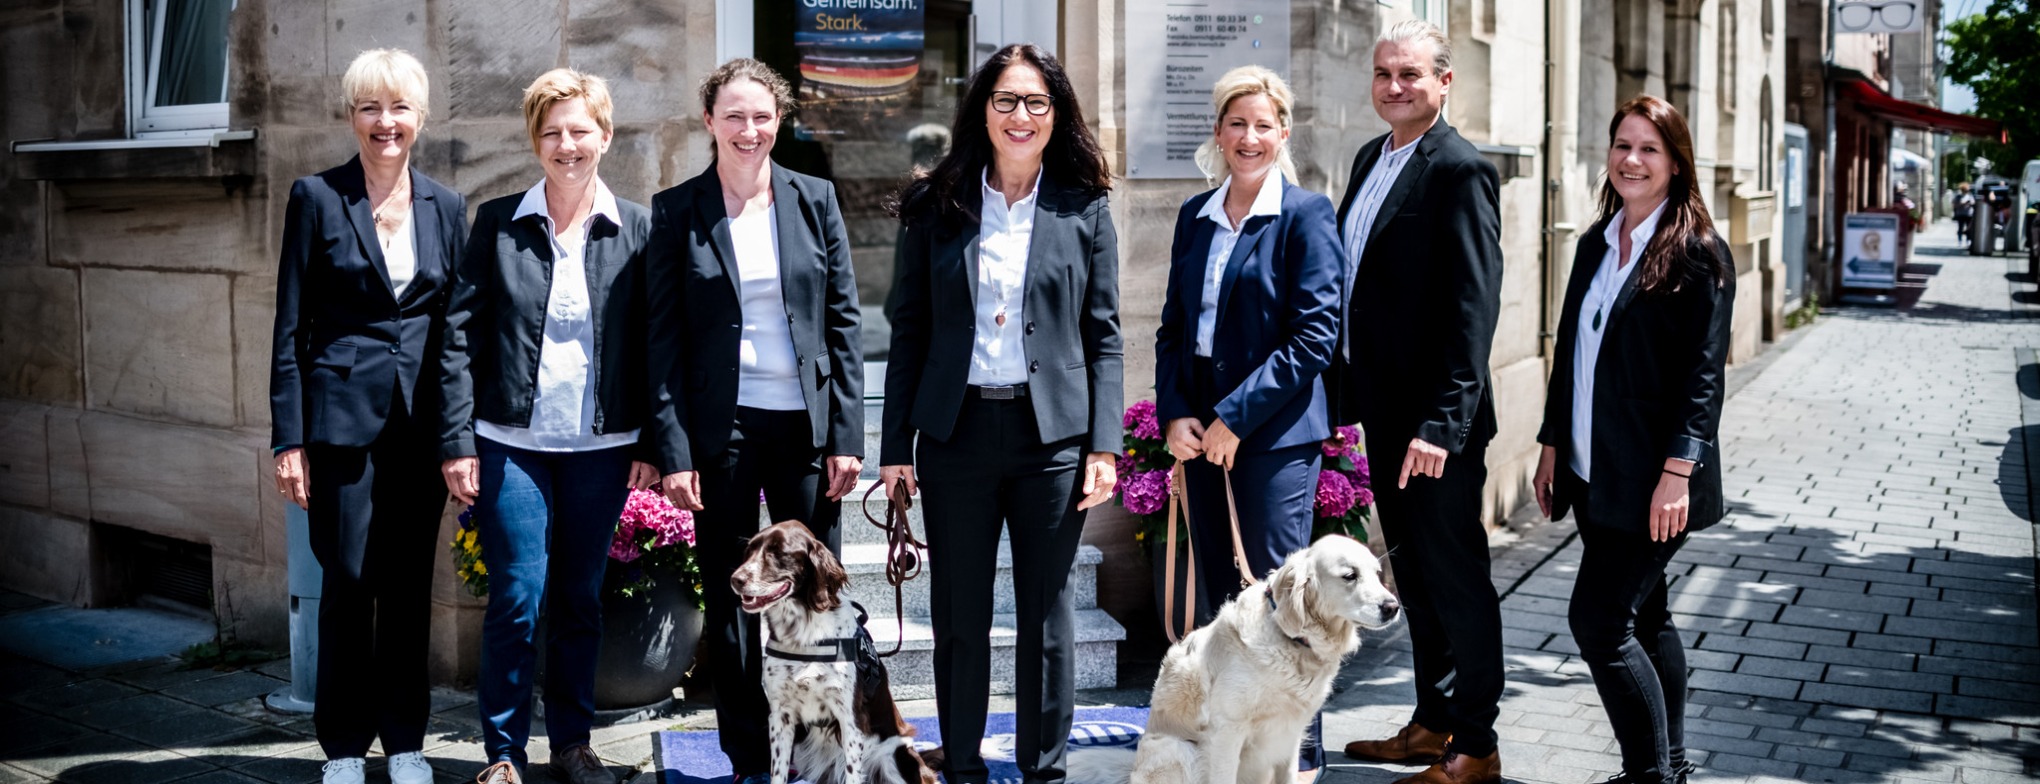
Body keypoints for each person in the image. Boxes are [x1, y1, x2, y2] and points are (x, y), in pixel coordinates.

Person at [880, 43, 1122, 784]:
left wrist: (1104, 446)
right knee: (960, 618)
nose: (1021, 116)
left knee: (1048, 620)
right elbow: (909, 330)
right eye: (1007, 100)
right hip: (955, 436)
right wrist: (895, 449)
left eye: (1037, 102)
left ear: (1057, 115)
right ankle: (962, 768)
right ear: (982, 109)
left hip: (1051, 438)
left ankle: (1043, 770)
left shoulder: (1083, 207)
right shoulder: (935, 204)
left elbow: (1105, 333)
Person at [643, 58, 864, 784]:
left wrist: (846, 437)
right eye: (734, 115)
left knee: (815, 595)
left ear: (780, 121)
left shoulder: (814, 198)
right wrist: (673, 451)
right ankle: (748, 757)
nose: (749, 129)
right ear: (709, 121)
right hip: (721, 432)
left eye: (762, 115)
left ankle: (820, 750)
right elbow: (663, 339)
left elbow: (842, 322)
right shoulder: (678, 209)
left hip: (804, 428)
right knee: (736, 592)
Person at [437, 68, 660, 784]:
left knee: (579, 600)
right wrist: (458, 442)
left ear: (605, 135)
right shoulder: (498, 222)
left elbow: (659, 347)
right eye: (552, 131)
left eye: (580, 130)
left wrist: (655, 444)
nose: (567, 144)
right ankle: (503, 754)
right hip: (512, 446)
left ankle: (572, 744)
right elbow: (458, 340)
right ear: (536, 141)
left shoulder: (639, 228)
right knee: (515, 599)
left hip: (603, 449)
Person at [268, 48, 463, 784]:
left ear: (420, 117)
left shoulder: (446, 206)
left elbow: (454, 332)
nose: (387, 123)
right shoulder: (316, 198)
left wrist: (458, 436)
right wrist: (289, 438)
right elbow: (290, 326)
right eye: (370, 108)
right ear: (352, 116)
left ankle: (406, 740)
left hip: (419, 428)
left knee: (410, 584)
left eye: (400, 108)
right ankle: (345, 747)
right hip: (339, 425)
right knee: (348, 580)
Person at [1532, 95, 1733, 784]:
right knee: (1647, 620)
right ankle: (1670, 764)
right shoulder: (1596, 240)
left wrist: (1678, 472)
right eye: (1623, 145)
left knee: (1597, 623)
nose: (1632, 160)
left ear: (1677, 163)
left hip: (1655, 481)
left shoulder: (1698, 252)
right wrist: (1553, 445)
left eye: (1649, 148)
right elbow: (1571, 353)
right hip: (1592, 472)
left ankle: (1650, 776)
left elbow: (1703, 379)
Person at [1153, 64, 1343, 780]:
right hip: (1200, 436)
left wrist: (1236, 417)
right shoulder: (1194, 215)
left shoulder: (1305, 215)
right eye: (1237, 123)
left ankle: (1299, 758)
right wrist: (1176, 415)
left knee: (1281, 604)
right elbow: (1174, 328)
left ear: (1283, 132)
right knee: (1220, 602)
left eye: (1264, 124)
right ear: (1219, 131)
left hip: (1276, 438)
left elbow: (1315, 337)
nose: (1250, 136)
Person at [1333, 19, 1506, 784]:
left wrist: (1442, 424)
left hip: (1436, 426)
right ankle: (1432, 724)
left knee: (1456, 579)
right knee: (1416, 577)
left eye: (1410, 74)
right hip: (1385, 412)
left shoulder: (1459, 169)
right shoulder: (1373, 156)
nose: (1395, 87)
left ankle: (1477, 747)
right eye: (1384, 74)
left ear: (1444, 82)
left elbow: (1474, 309)